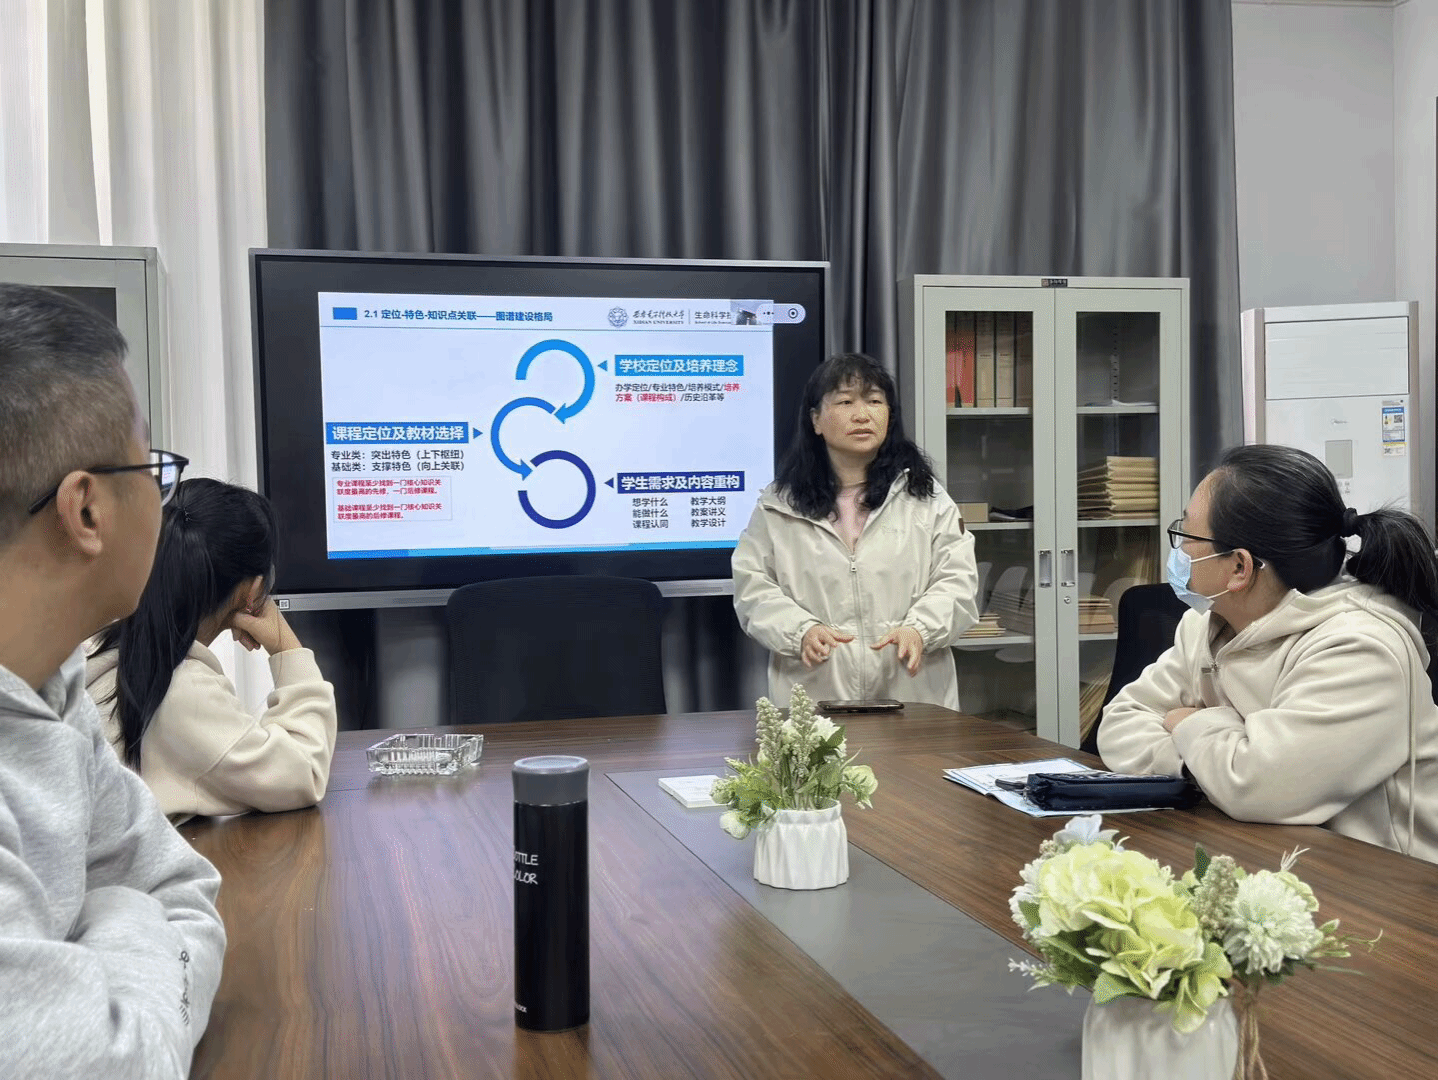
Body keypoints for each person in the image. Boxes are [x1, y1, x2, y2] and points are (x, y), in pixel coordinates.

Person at [0, 284, 225, 1073]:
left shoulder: (49, 685)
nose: (163, 500)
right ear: (86, 511)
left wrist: (98, 951)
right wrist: (126, 911)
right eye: (153, 467)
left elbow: (185, 888)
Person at [1099, 444, 1438, 861]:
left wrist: (1190, 723)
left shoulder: (1361, 651)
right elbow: (1120, 722)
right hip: (1261, 857)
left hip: (1380, 882)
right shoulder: (1208, 623)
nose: (1180, 551)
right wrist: (1204, 764)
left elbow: (1256, 786)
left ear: (1239, 567)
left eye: (1187, 535)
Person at [733, 352, 979, 708]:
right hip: (816, 694)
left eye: (875, 401)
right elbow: (752, 587)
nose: (862, 415)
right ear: (816, 419)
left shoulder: (926, 499)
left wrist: (920, 628)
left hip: (912, 693)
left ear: (889, 416)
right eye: (845, 402)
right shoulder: (779, 506)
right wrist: (800, 630)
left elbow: (958, 580)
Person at [87, 478, 338, 822]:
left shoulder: (101, 647)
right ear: (254, 590)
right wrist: (286, 645)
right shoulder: (181, 691)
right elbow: (304, 772)